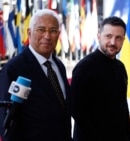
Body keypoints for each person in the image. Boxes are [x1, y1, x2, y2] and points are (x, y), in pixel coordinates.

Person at [0, 9, 72, 141]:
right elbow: (6, 124)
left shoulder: (59, 66)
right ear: (29, 33)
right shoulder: (13, 69)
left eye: (53, 31)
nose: (47, 36)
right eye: (41, 29)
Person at [71, 16, 130, 141]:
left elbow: (122, 107)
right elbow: (77, 110)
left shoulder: (120, 68)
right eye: (108, 36)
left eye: (118, 38)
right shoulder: (85, 67)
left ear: (123, 40)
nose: (113, 42)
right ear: (99, 36)